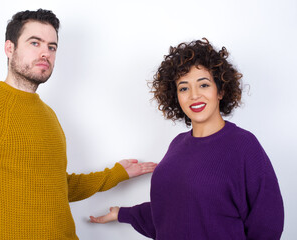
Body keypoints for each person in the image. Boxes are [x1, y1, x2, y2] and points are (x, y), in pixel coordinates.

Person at [0, 9, 157, 240]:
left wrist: (116, 174)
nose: (45, 53)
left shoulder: (48, 115)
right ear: (9, 48)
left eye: (52, 47)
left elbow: (55, 187)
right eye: (35, 43)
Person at [90, 38, 284, 239]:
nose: (194, 95)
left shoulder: (244, 145)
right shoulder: (177, 144)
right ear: (176, 97)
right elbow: (174, 210)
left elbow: (268, 222)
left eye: (204, 85)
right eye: (184, 88)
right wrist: (123, 213)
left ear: (221, 90)